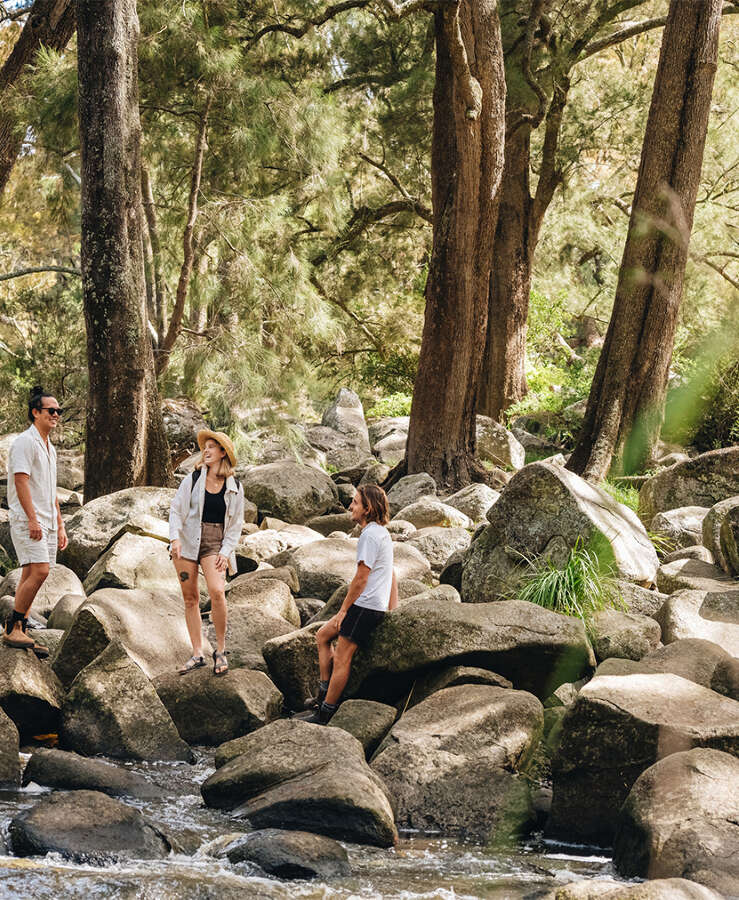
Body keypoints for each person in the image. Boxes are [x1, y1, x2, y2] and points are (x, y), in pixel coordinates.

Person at [307, 483, 398, 724]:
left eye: (355, 502)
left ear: (368, 508)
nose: (350, 506)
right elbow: (391, 573)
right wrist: (392, 608)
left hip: (364, 607)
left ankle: (325, 712)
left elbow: (361, 579)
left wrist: (343, 610)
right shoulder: (382, 533)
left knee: (344, 656)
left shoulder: (369, 535)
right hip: (372, 606)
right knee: (322, 636)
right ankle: (323, 693)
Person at [168, 429, 244, 677]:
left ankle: (220, 650)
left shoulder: (235, 486)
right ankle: (197, 653)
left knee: (217, 592)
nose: (207, 451)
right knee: (190, 598)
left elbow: (236, 525)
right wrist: (174, 538)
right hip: (187, 542)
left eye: (212, 447)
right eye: (205, 447)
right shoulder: (192, 479)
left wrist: (226, 550)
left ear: (223, 453)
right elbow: (176, 510)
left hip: (215, 543)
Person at [3, 386, 68, 656]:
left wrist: (61, 524)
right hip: (28, 518)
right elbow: (21, 481)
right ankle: (12, 627)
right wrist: (32, 519)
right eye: (50, 410)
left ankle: (23, 630)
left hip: (48, 520)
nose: (56, 415)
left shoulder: (49, 447)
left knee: (32, 572)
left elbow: (50, 490)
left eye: (58, 411)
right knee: (39, 571)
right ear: (35, 413)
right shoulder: (24, 442)